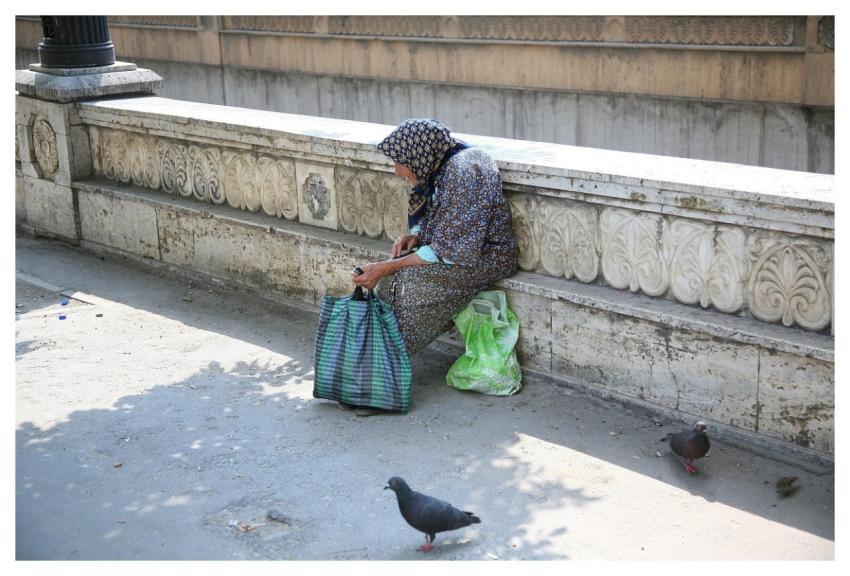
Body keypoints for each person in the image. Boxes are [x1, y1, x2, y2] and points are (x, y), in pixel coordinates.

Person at [351, 118, 518, 390]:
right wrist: (414, 235)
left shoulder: (466, 171)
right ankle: (374, 362)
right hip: (455, 249)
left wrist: (386, 267)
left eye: (399, 162)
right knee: (391, 282)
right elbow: (441, 220)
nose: (396, 170)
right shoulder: (439, 164)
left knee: (412, 287)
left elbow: (449, 250)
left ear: (418, 156)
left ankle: (383, 372)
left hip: (485, 257)